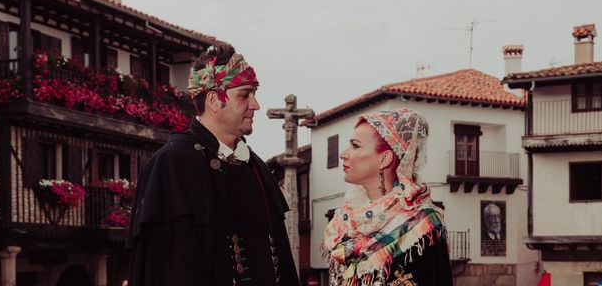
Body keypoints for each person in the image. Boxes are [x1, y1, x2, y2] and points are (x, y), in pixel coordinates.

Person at [127, 44, 300, 286]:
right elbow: (168, 270)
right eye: (244, 94)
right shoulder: (171, 165)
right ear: (214, 100)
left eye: (254, 93)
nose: (255, 105)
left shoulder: (256, 166)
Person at [322, 108, 453, 286]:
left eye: (355, 145)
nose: (343, 154)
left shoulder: (423, 224)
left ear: (384, 159)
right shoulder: (342, 222)